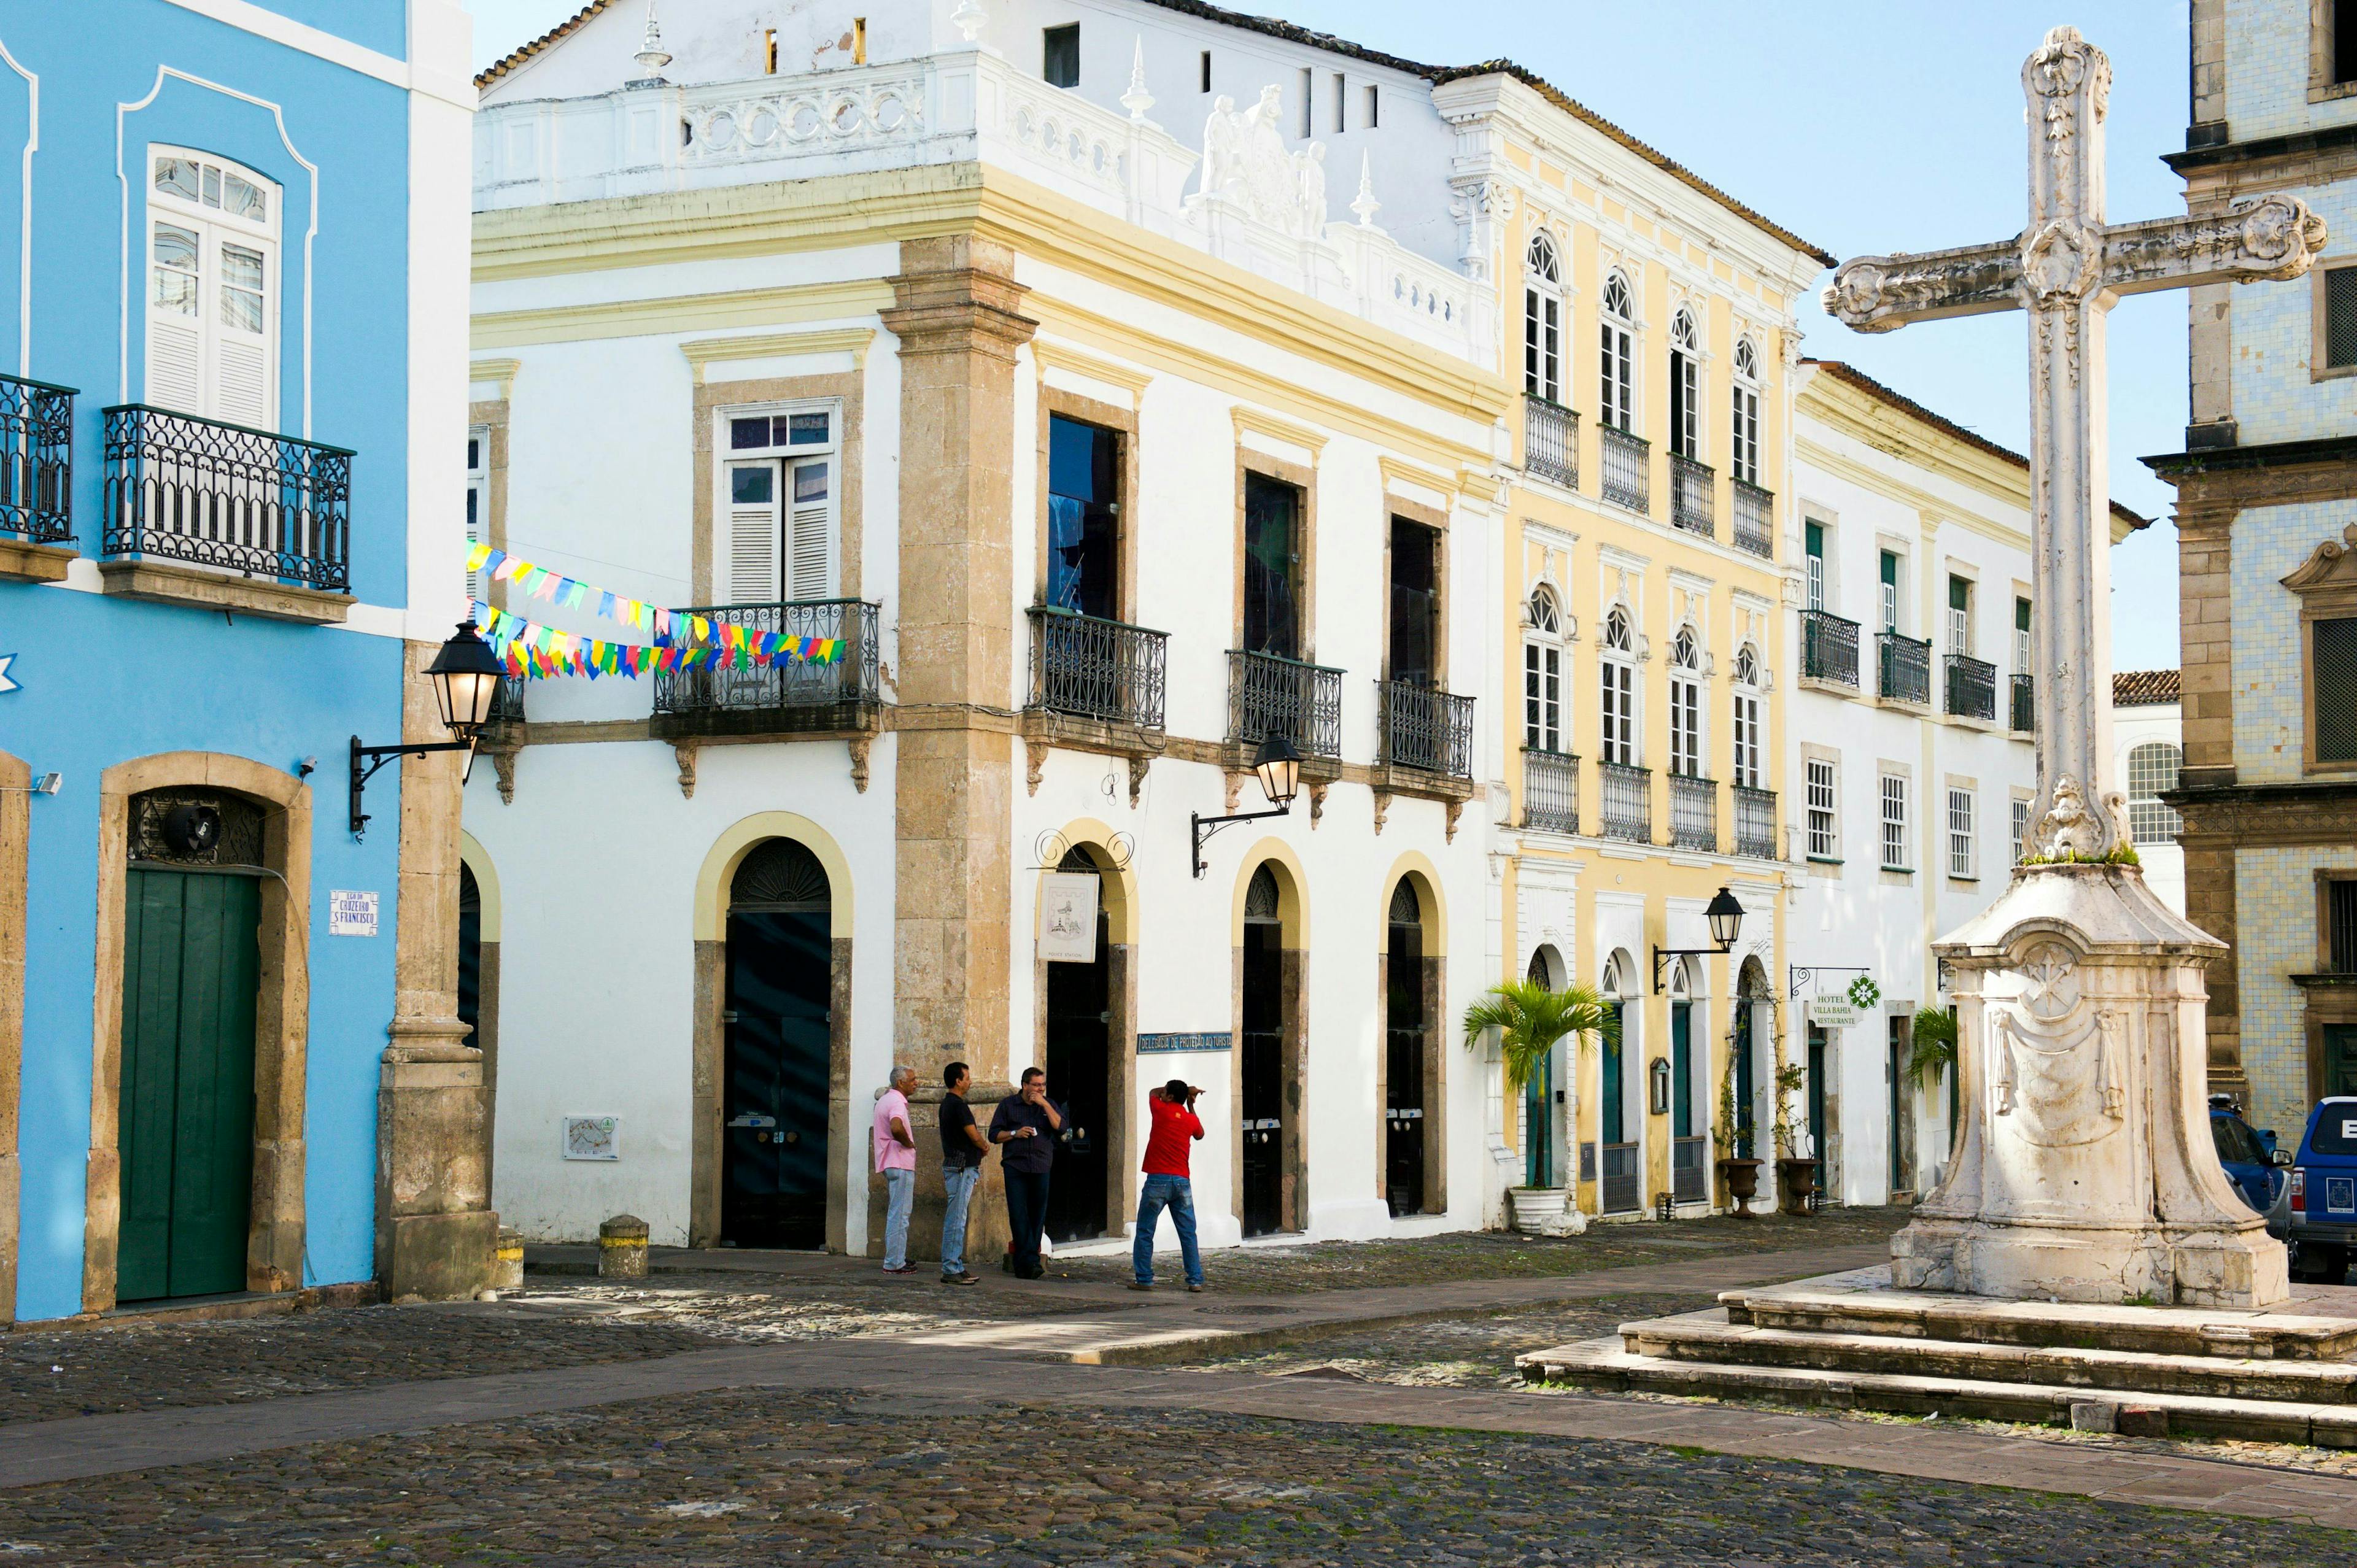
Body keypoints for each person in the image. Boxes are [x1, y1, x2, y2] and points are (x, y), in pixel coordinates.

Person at [1131, 1078, 1206, 1292]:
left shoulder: (1160, 1110)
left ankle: (1144, 1279)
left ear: (1170, 1097)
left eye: (1166, 1092)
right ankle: (1195, 1280)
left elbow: (1152, 1091)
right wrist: (1190, 1102)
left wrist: (1183, 1091)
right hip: (1182, 1181)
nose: (1162, 1094)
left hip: (1157, 1180)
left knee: (1145, 1230)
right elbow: (1200, 1134)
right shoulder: (1189, 1119)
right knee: (1188, 1233)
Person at [989, 1066, 1062, 1279]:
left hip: (1041, 1166)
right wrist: (1015, 1133)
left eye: (1043, 1085)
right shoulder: (1008, 1105)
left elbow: (1060, 1127)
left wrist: (1045, 1104)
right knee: (1019, 1214)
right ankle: (1030, 1261)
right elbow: (994, 1135)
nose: (1040, 1089)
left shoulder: (1047, 1105)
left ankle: (1025, 1263)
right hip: (1016, 1167)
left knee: (1037, 1214)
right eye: (1036, 1085)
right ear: (1025, 1085)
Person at [938, 1060, 989, 1286]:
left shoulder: (947, 1104)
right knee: (957, 1219)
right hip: (961, 1167)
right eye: (967, 1078)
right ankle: (951, 1267)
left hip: (955, 1165)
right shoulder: (958, 1106)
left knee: (957, 1218)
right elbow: (973, 1134)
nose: (970, 1082)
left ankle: (955, 1264)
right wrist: (984, 1146)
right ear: (958, 1081)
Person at [873, 1064, 918, 1275]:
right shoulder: (898, 1102)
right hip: (900, 1162)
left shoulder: (885, 1099)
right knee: (900, 1215)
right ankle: (894, 1262)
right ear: (901, 1083)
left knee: (896, 1214)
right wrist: (908, 1143)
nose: (916, 1083)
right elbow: (896, 1126)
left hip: (889, 1162)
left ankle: (897, 1256)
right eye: (912, 1080)